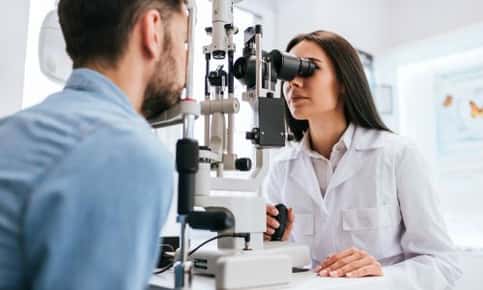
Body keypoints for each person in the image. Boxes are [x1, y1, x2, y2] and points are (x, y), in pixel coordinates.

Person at [0, 1, 187, 289]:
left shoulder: (13, 129)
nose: (186, 59)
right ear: (153, 30)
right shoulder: (128, 153)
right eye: (184, 40)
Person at [263, 30, 461, 289]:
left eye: (308, 69)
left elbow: (444, 263)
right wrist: (266, 241)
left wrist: (382, 274)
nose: (293, 83)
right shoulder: (280, 168)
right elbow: (280, 264)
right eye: (288, 73)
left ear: (344, 81)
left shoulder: (397, 155)